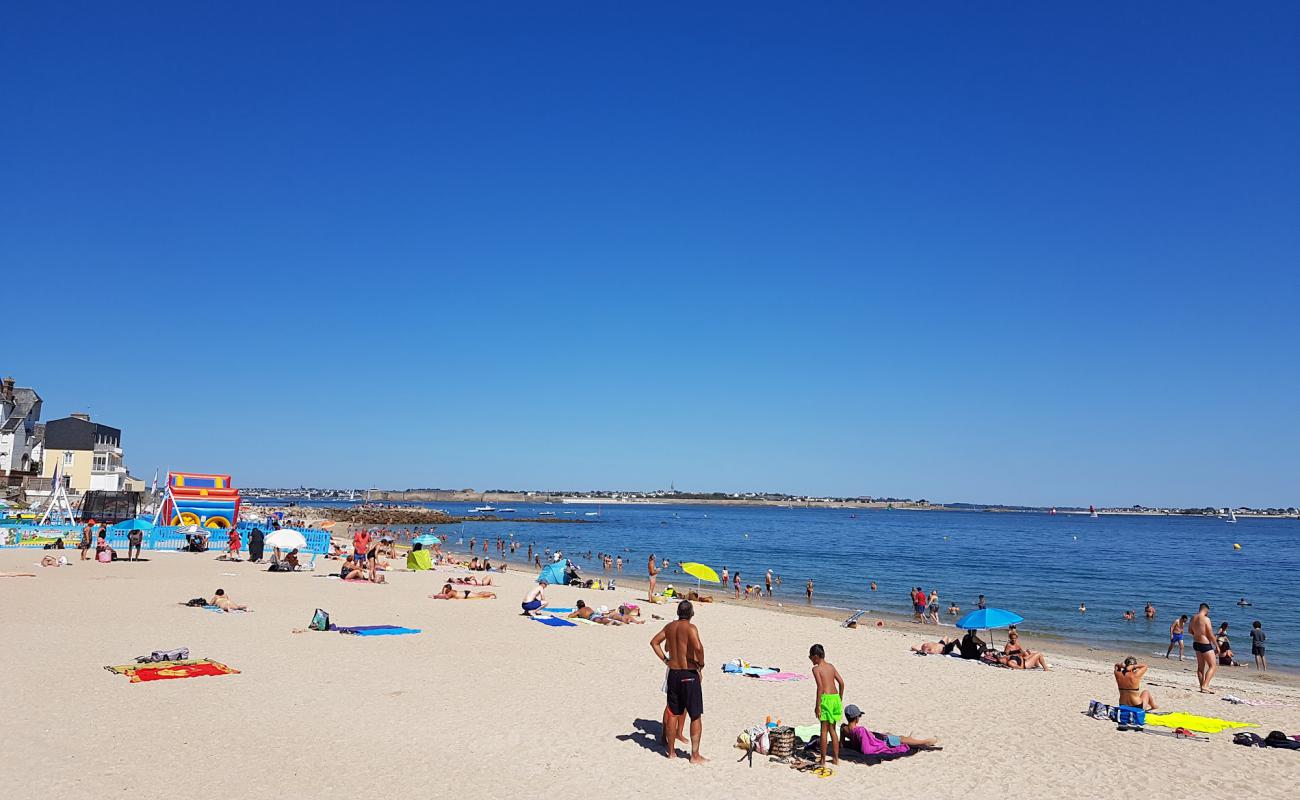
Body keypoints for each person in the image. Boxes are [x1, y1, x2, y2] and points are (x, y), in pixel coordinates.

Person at [650, 600, 706, 764]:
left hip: (673, 673)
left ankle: (671, 752)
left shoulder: (669, 627)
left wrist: (666, 661)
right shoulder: (690, 628)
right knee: (695, 715)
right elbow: (698, 648)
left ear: (678, 612)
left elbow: (654, 642)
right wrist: (700, 664)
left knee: (673, 712)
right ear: (691, 613)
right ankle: (694, 756)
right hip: (688, 673)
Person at [840, 704, 938, 756]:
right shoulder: (860, 730)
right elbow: (867, 749)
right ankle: (924, 742)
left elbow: (842, 744)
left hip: (875, 737)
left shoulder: (843, 728)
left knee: (891, 735)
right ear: (857, 717)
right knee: (901, 739)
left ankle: (914, 740)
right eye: (859, 716)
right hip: (880, 741)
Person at [809, 643, 844, 769]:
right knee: (833, 730)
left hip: (826, 699)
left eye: (811, 657)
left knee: (823, 731)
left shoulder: (816, 669)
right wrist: (840, 698)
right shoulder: (831, 666)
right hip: (835, 699)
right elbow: (841, 683)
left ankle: (823, 760)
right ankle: (835, 759)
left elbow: (820, 687)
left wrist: (817, 705)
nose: (810, 659)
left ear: (816, 656)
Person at [1189, 603, 1218, 693]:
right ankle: (1205, 685)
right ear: (1206, 610)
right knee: (1212, 666)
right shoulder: (1206, 619)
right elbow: (1210, 633)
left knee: (1200, 667)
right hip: (1204, 644)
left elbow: (1190, 631)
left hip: (1196, 643)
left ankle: (1202, 687)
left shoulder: (1193, 618)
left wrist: (1197, 634)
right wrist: (1216, 645)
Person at [431, 582, 496, 600]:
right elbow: (443, 594)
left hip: (466, 594)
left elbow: (446, 597)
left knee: (480, 595)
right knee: (479, 593)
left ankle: (492, 594)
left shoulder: (450, 592)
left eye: (444, 589)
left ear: (447, 589)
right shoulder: (451, 592)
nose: (443, 590)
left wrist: (435, 596)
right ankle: (490, 593)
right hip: (465, 593)